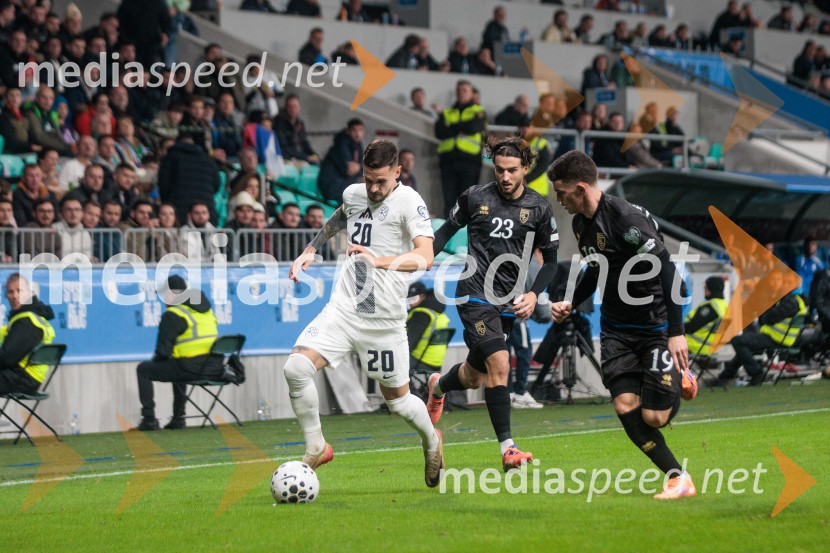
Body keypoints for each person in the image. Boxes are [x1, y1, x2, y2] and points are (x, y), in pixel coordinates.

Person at [285, 139, 444, 487]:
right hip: (344, 310)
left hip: (383, 322)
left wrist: (379, 261)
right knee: (296, 367)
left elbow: (425, 257)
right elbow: (342, 215)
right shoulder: (355, 193)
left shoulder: (409, 202)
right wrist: (311, 249)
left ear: (398, 172)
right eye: (369, 179)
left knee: (399, 405)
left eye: (381, 182)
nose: (373, 188)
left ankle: (432, 441)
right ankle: (316, 446)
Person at [550, 150, 697, 498]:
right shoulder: (580, 223)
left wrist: (676, 333)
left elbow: (669, 273)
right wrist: (573, 301)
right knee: (624, 406)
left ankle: (681, 375)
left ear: (581, 188)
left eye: (561, 193)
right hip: (616, 329)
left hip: (655, 327)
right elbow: (595, 266)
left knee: (656, 417)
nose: (558, 199)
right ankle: (678, 477)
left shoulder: (625, 221)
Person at [426, 136, 559, 471]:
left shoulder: (540, 208)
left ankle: (438, 385)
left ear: (525, 168)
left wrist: (533, 294)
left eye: (512, 170)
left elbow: (553, 262)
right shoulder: (475, 197)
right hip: (473, 293)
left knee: (474, 376)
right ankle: (508, 448)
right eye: (499, 169)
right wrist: (427, 253)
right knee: (501, 361)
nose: (505, 176)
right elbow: (445, 230)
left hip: (507, 302)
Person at [135, 276, 224, 431]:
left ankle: (149, 419)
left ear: (172, 294)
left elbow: (163, 352)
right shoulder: (206, 310)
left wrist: (157, 360)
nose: (164, 300)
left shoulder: (173, 314)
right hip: (215, 368)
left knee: (143, 370)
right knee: (179, 363)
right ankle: (178, 417)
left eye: (164, 295)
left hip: (191, 369)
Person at [714, 272, 807, 387]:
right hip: (778, 337)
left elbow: (768, 318)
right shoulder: (796, 300)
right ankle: (725, 377)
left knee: (738, 341)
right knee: (744, 347)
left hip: (776, 338)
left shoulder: (791, 302)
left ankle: (757, 373)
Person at [435, 80, 486, 216]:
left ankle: (464, 232)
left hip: (470, 162)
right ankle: (448, 233)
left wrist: (452, 126)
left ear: (471, 93)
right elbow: (439, 132)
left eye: (465, 90)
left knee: (467, 200)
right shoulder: (447, 112)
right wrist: (461, 127)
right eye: (459, 90)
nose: (461, 93)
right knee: (449, 200)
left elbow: (474, 127)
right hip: (448, 161)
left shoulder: (478, 111)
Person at [0, 274, 56, 396]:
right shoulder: (29, 316)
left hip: (22, 379)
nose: (15, 296)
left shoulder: (26, 321)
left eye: (19, 291)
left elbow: (7, 358)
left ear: (29, 293)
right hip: (26, 378)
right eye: (10, 292)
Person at [406, 281, 450, 374]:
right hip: (436, 361)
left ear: (422, 297)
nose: (410, 302)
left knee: (391, 361)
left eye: (414, 298)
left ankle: (407, 389)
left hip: (420, 360)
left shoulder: (421, 314)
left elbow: (409, 343)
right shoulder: (437, 312)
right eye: (409, 299)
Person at [318, 118, 365, 203]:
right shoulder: (341, 144)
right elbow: (349, 170)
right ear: (348, 131)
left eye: (360, 130)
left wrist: (359, 166)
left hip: (343, 182)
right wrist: (359, 168)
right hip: (331, 185)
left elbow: (362, 166)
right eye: (354, 130)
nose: (358, 134)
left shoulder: (358, 145)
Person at [685, 276, 728, 360]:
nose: (704, 289)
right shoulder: (723, 305)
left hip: (695, 346)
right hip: (711, 347)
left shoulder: (710, 307)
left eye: (706, 287)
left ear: (710, 288)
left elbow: (691, 327)